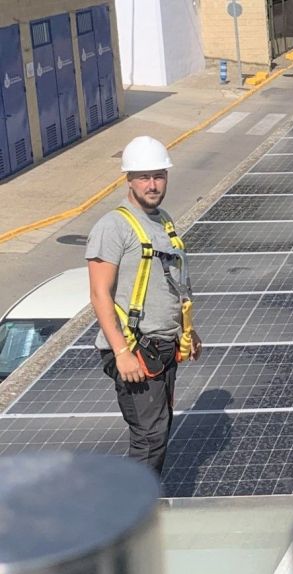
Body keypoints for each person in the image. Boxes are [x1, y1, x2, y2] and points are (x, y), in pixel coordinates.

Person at [86, 135, 202, 476]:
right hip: (135, 349)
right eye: (143, 177)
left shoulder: (164, 220)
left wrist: (189, 331)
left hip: (164, 347)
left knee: (159, 431)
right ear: (129, 180)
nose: (152, 184)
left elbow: (173, 283)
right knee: (149, 437)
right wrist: (121, 351)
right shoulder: (113, 227)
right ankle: (129, 516)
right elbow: (99, 293)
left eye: (159, 176)